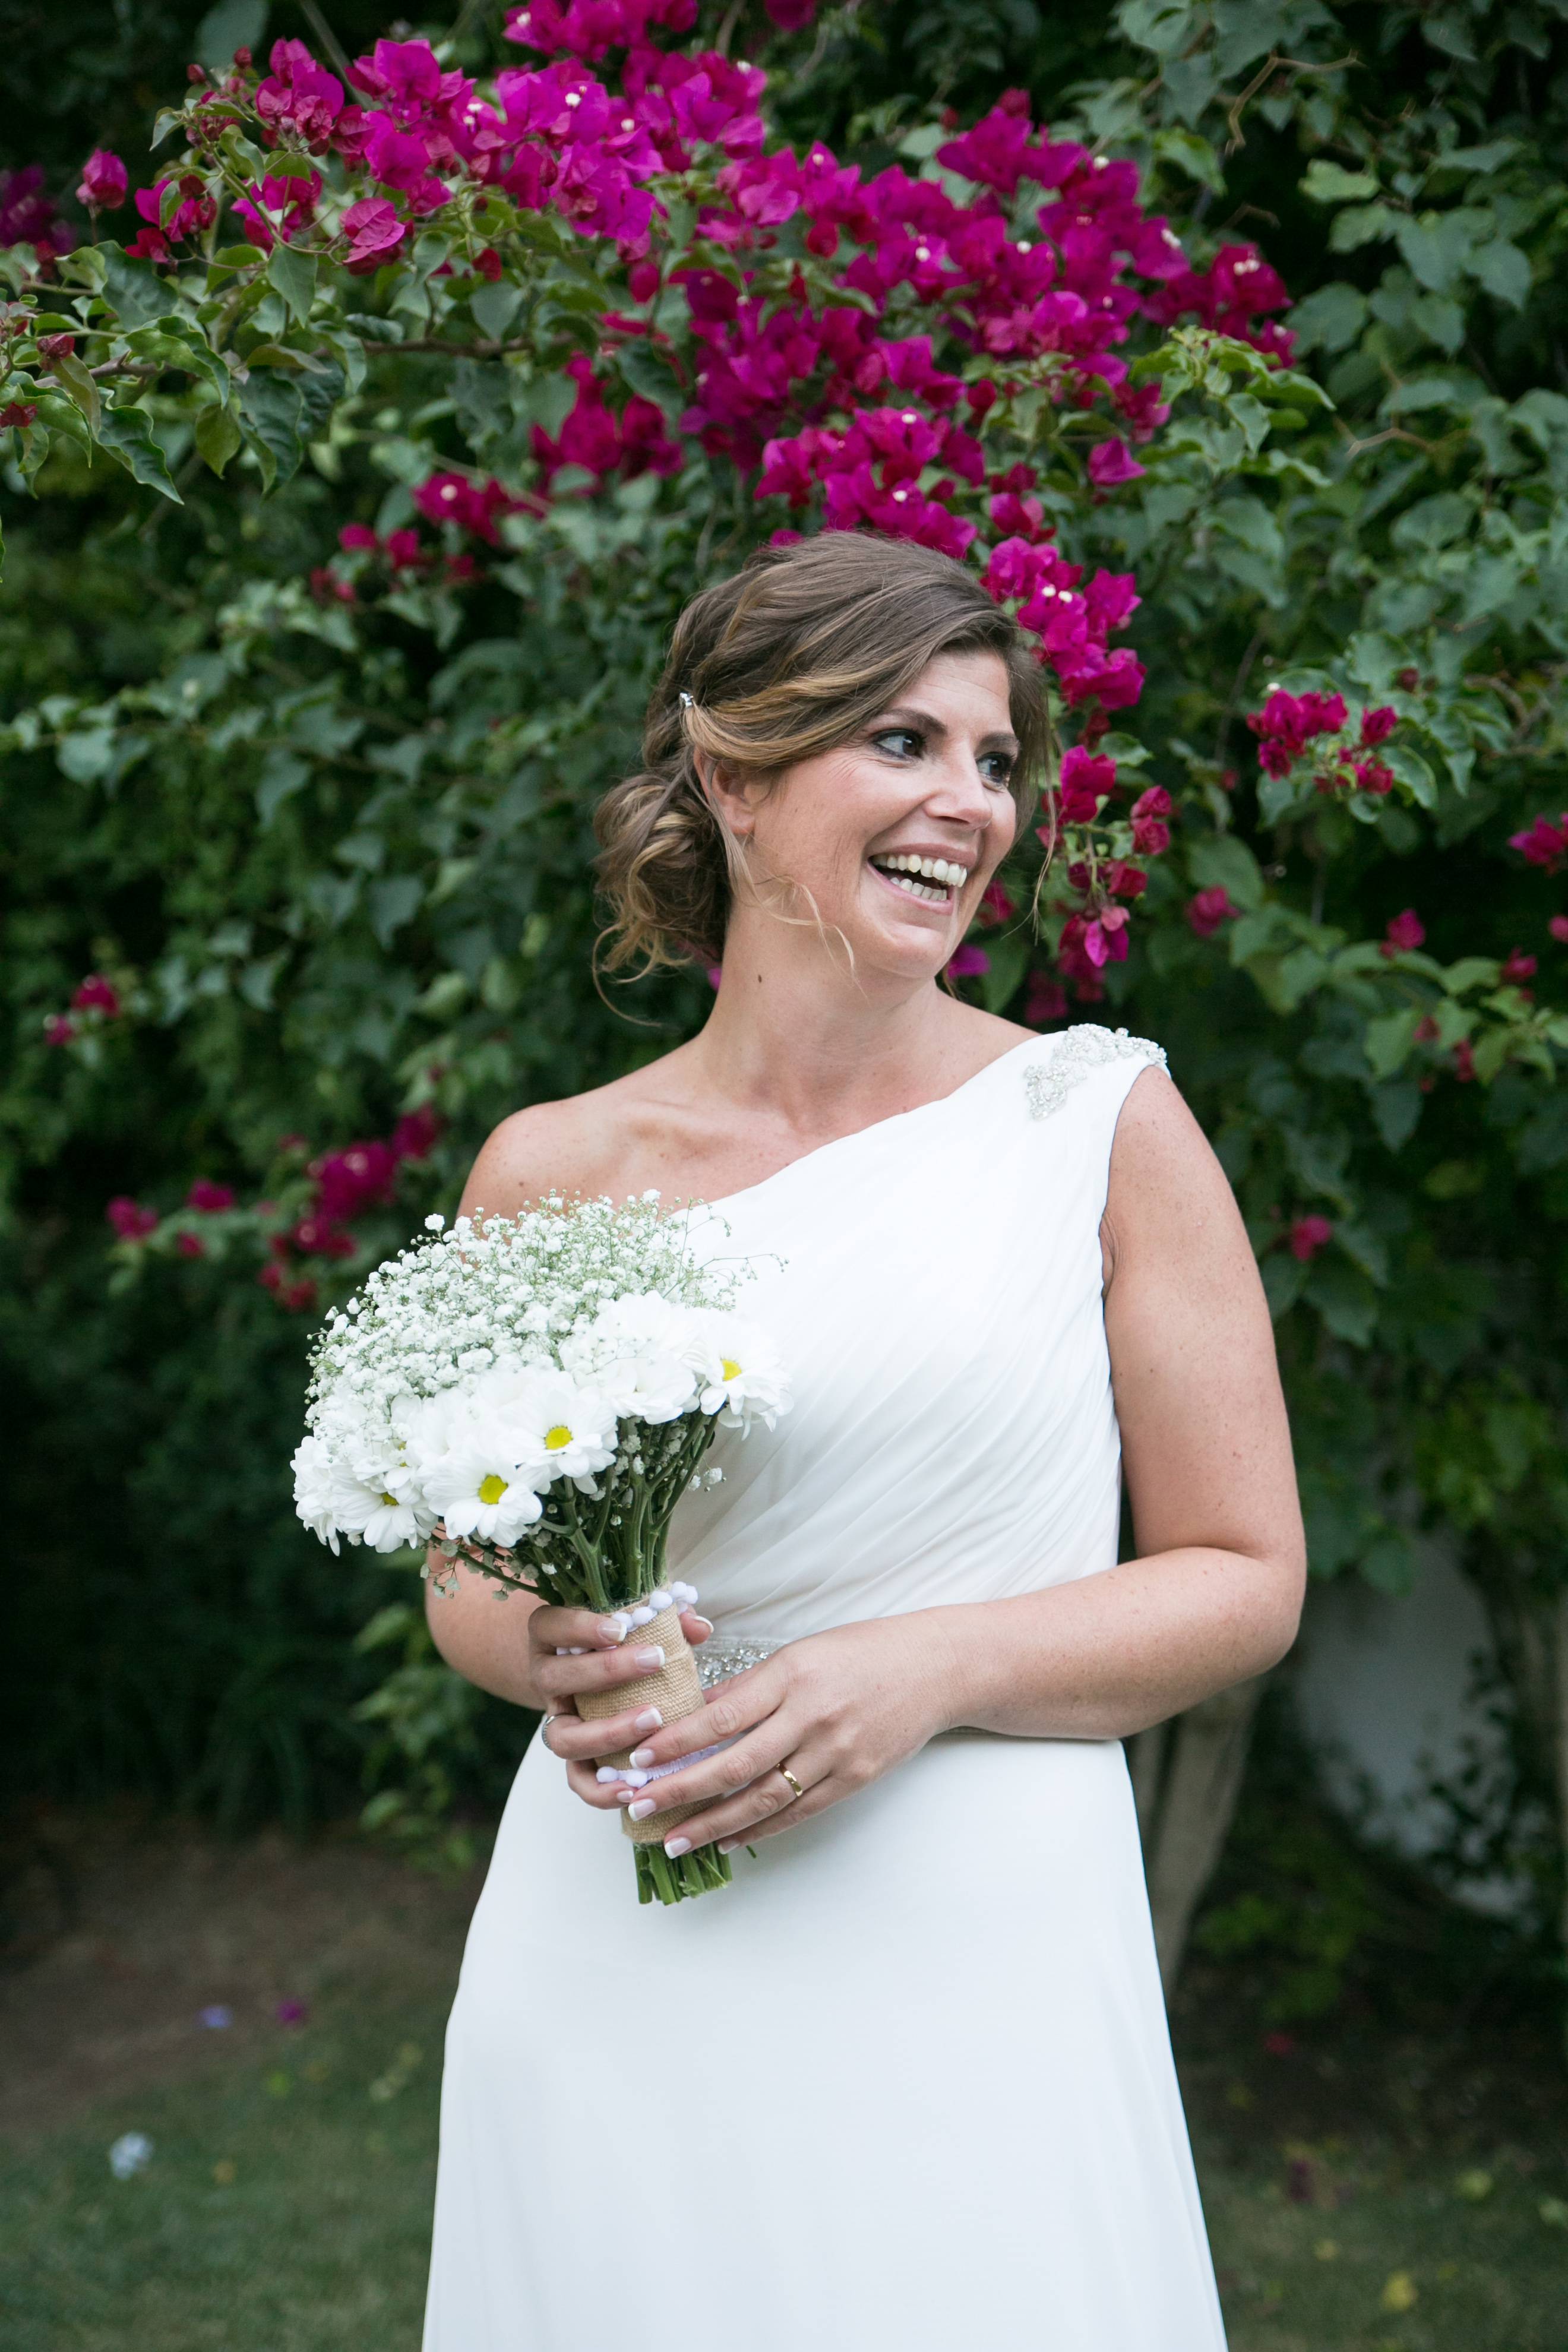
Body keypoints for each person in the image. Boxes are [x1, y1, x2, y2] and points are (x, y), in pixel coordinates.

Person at [421, 530, 1305, 2351]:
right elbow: (469, 1574)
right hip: (620, 1946)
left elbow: (1245, 1575)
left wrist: (922, 1670)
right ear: (734, 774)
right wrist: (554, 1643)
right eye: (902, 742)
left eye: (994, 760)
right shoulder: (554, 1166)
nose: (970, 805)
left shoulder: (1099, 1123)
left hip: (979, 1957)